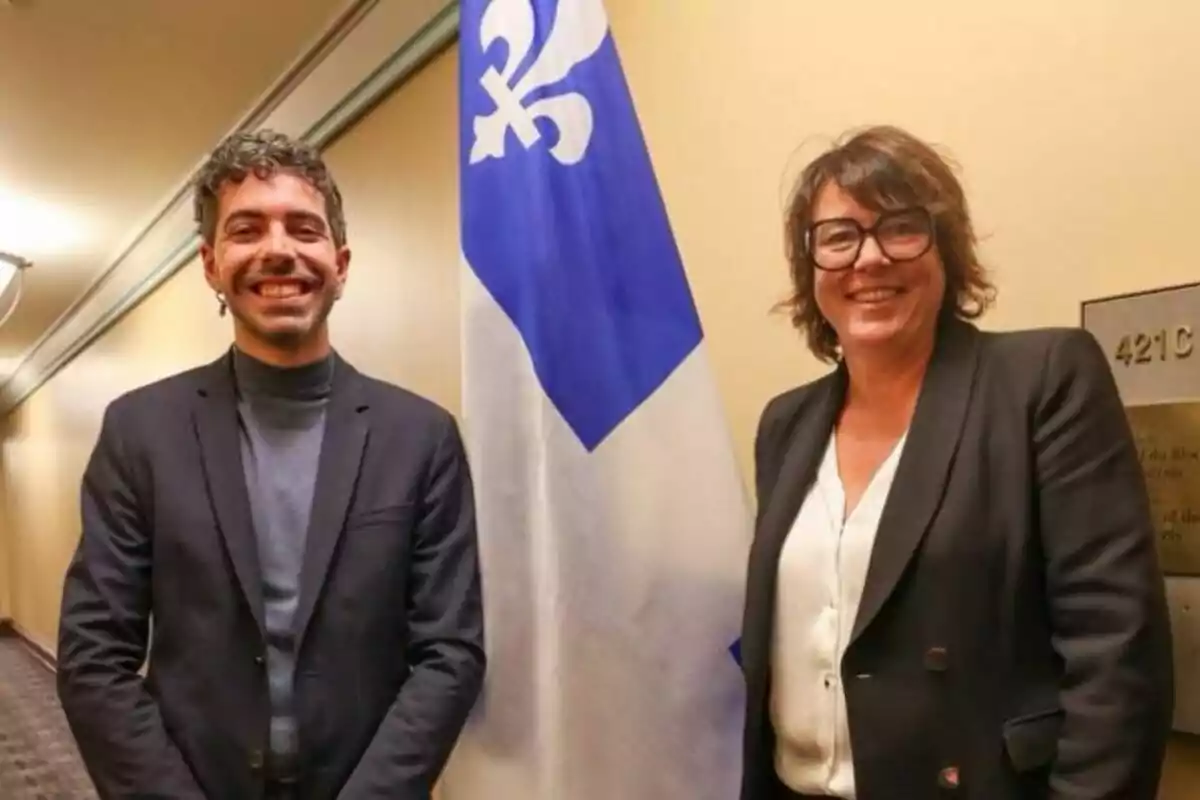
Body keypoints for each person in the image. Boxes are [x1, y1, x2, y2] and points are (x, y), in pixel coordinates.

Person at [739, 125, 1174, 799]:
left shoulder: (1043, 380)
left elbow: (1116, 652)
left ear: (946, 249)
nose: (870, 258)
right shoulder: (785, 424)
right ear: (810, 266)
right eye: (838, 237)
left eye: (901, 228)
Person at [56, 129, 485, 799]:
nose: (279, 250)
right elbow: (93, 657)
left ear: (340, 263)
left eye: (304, 230)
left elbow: (449, 654)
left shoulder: (422, 437)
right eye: (247, 230)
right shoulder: (139, 431)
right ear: (210, 263)